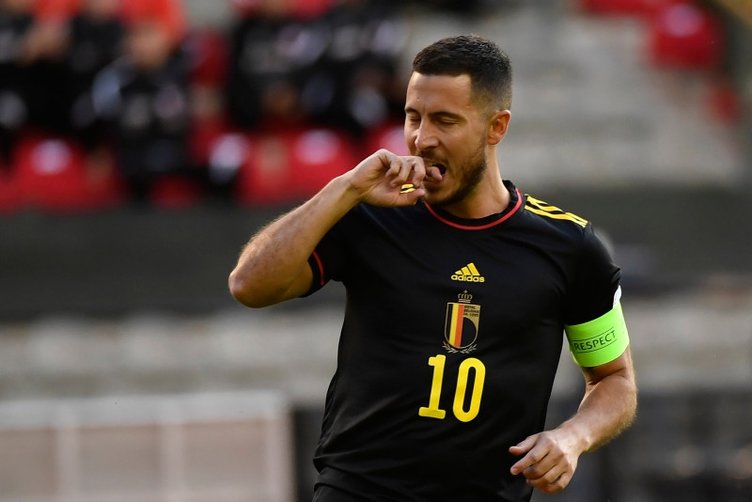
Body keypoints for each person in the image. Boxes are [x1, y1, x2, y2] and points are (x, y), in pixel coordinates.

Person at [229, 34, 637, 501]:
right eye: (412, 117)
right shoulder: (370, 216)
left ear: (496, 127)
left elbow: (614, 380)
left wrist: (573, 437)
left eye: (445, 121)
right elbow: (249, 286)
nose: (422, 139)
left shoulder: (569, 247)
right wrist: (344, 188)